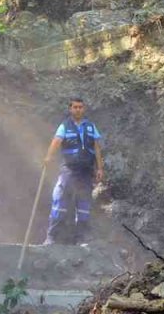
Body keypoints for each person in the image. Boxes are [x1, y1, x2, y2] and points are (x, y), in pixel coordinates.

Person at [42, 97, 104, 245]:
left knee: (83, 205)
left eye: (80, 107)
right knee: (60, 200)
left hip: (86, 171)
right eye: (75, 107)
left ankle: (81, 238)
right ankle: (51, 237)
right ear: (70, 109)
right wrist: (48, 158)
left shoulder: (90, 126)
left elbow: (96, 147)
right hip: (69, 170)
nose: (78, 109)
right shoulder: (65, 126)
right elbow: (56, 142)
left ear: (84, 109)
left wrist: (100, 168)